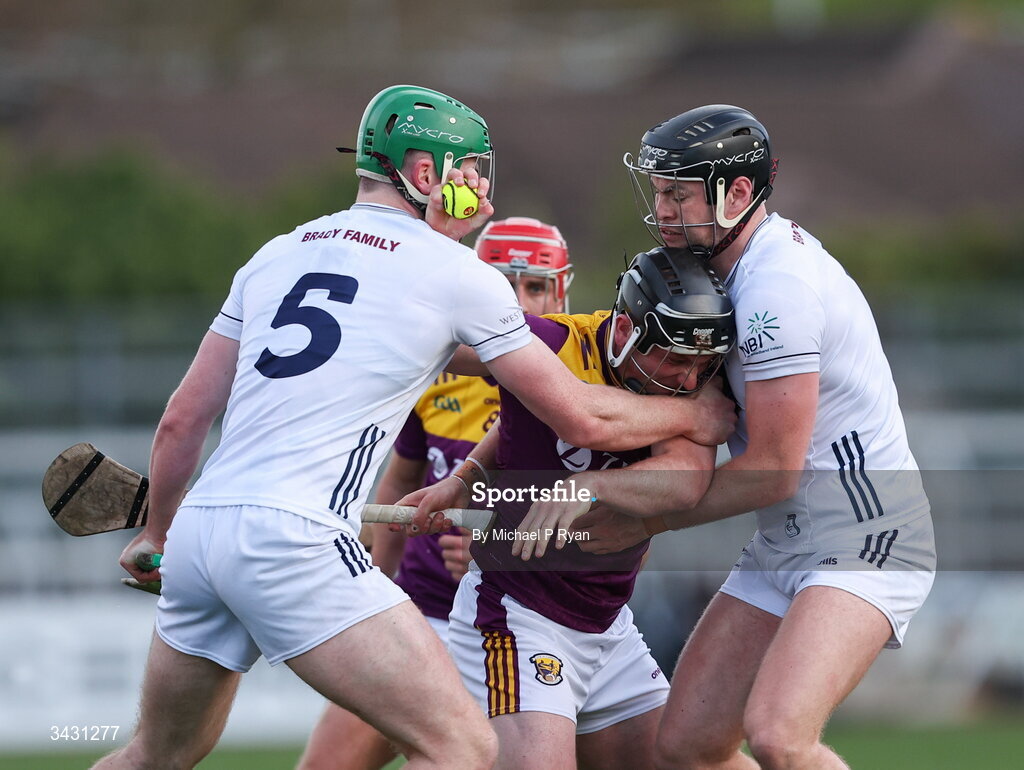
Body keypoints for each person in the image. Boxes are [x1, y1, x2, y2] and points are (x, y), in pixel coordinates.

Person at [91, 85, 736, 770]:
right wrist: (699, 412)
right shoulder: (457, 274)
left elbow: (181, 421)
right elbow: (579, 413)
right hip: (298, 540)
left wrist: (157, 532)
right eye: (471, 170)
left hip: (200, 533)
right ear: (427, 175)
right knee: (461, 746)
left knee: (154, 755)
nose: (482, 187)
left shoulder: (276, 253)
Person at [553, 105, 936, 770]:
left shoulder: (775, 288)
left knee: (781, 737)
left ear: (736, 193)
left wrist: (639, 521)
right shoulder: (712, 278)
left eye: (678, 192)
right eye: (660, 192)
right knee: (686, 747)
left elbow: (775, 469)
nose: (663, 209)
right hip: (785, 542)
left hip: (867, 536)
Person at [402, 245, 736, 770]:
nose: (689, 382)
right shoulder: (552, 342)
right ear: (625, 332)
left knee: (697, 760)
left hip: (608, 626)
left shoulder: (692, 370)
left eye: (703, 366)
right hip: (518, 616)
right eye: (674, 360)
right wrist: (468, 477)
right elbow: (446, 353)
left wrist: (589, 487)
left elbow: (686, 482)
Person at [296, 216, 575, 770]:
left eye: (535, 286)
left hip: (527, 627)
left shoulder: (581, 386)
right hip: (423, 613)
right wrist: (376, 583)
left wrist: (497, 552)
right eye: (503, 283)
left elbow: (610, 518)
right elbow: (400, 480)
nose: (519, 302)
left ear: (561, 292)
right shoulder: (439, 371)